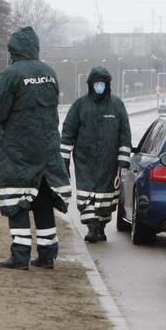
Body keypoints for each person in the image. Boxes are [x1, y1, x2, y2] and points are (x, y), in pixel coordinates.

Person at [0, 26, 73, 270]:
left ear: (13, 49)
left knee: (17, 202)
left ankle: (20, 255)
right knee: (44, 201)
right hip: (46, 149)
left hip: (18, 150)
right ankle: (47, 255)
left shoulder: (10, 74)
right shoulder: (49, 73)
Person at [61, 66, 131, 242]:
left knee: (106, 199)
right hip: (85, 160)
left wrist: (123, 161)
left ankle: (101, 226)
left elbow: (125, 134)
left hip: (109, 162)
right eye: (96, 83)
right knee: (86, 197)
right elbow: (68, 131)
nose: (99, 86)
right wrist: (64, 158)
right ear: (90, 85)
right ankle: (91, 227)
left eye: (102, 83)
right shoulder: (80, 105)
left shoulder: (117, 105)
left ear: (107, 85)